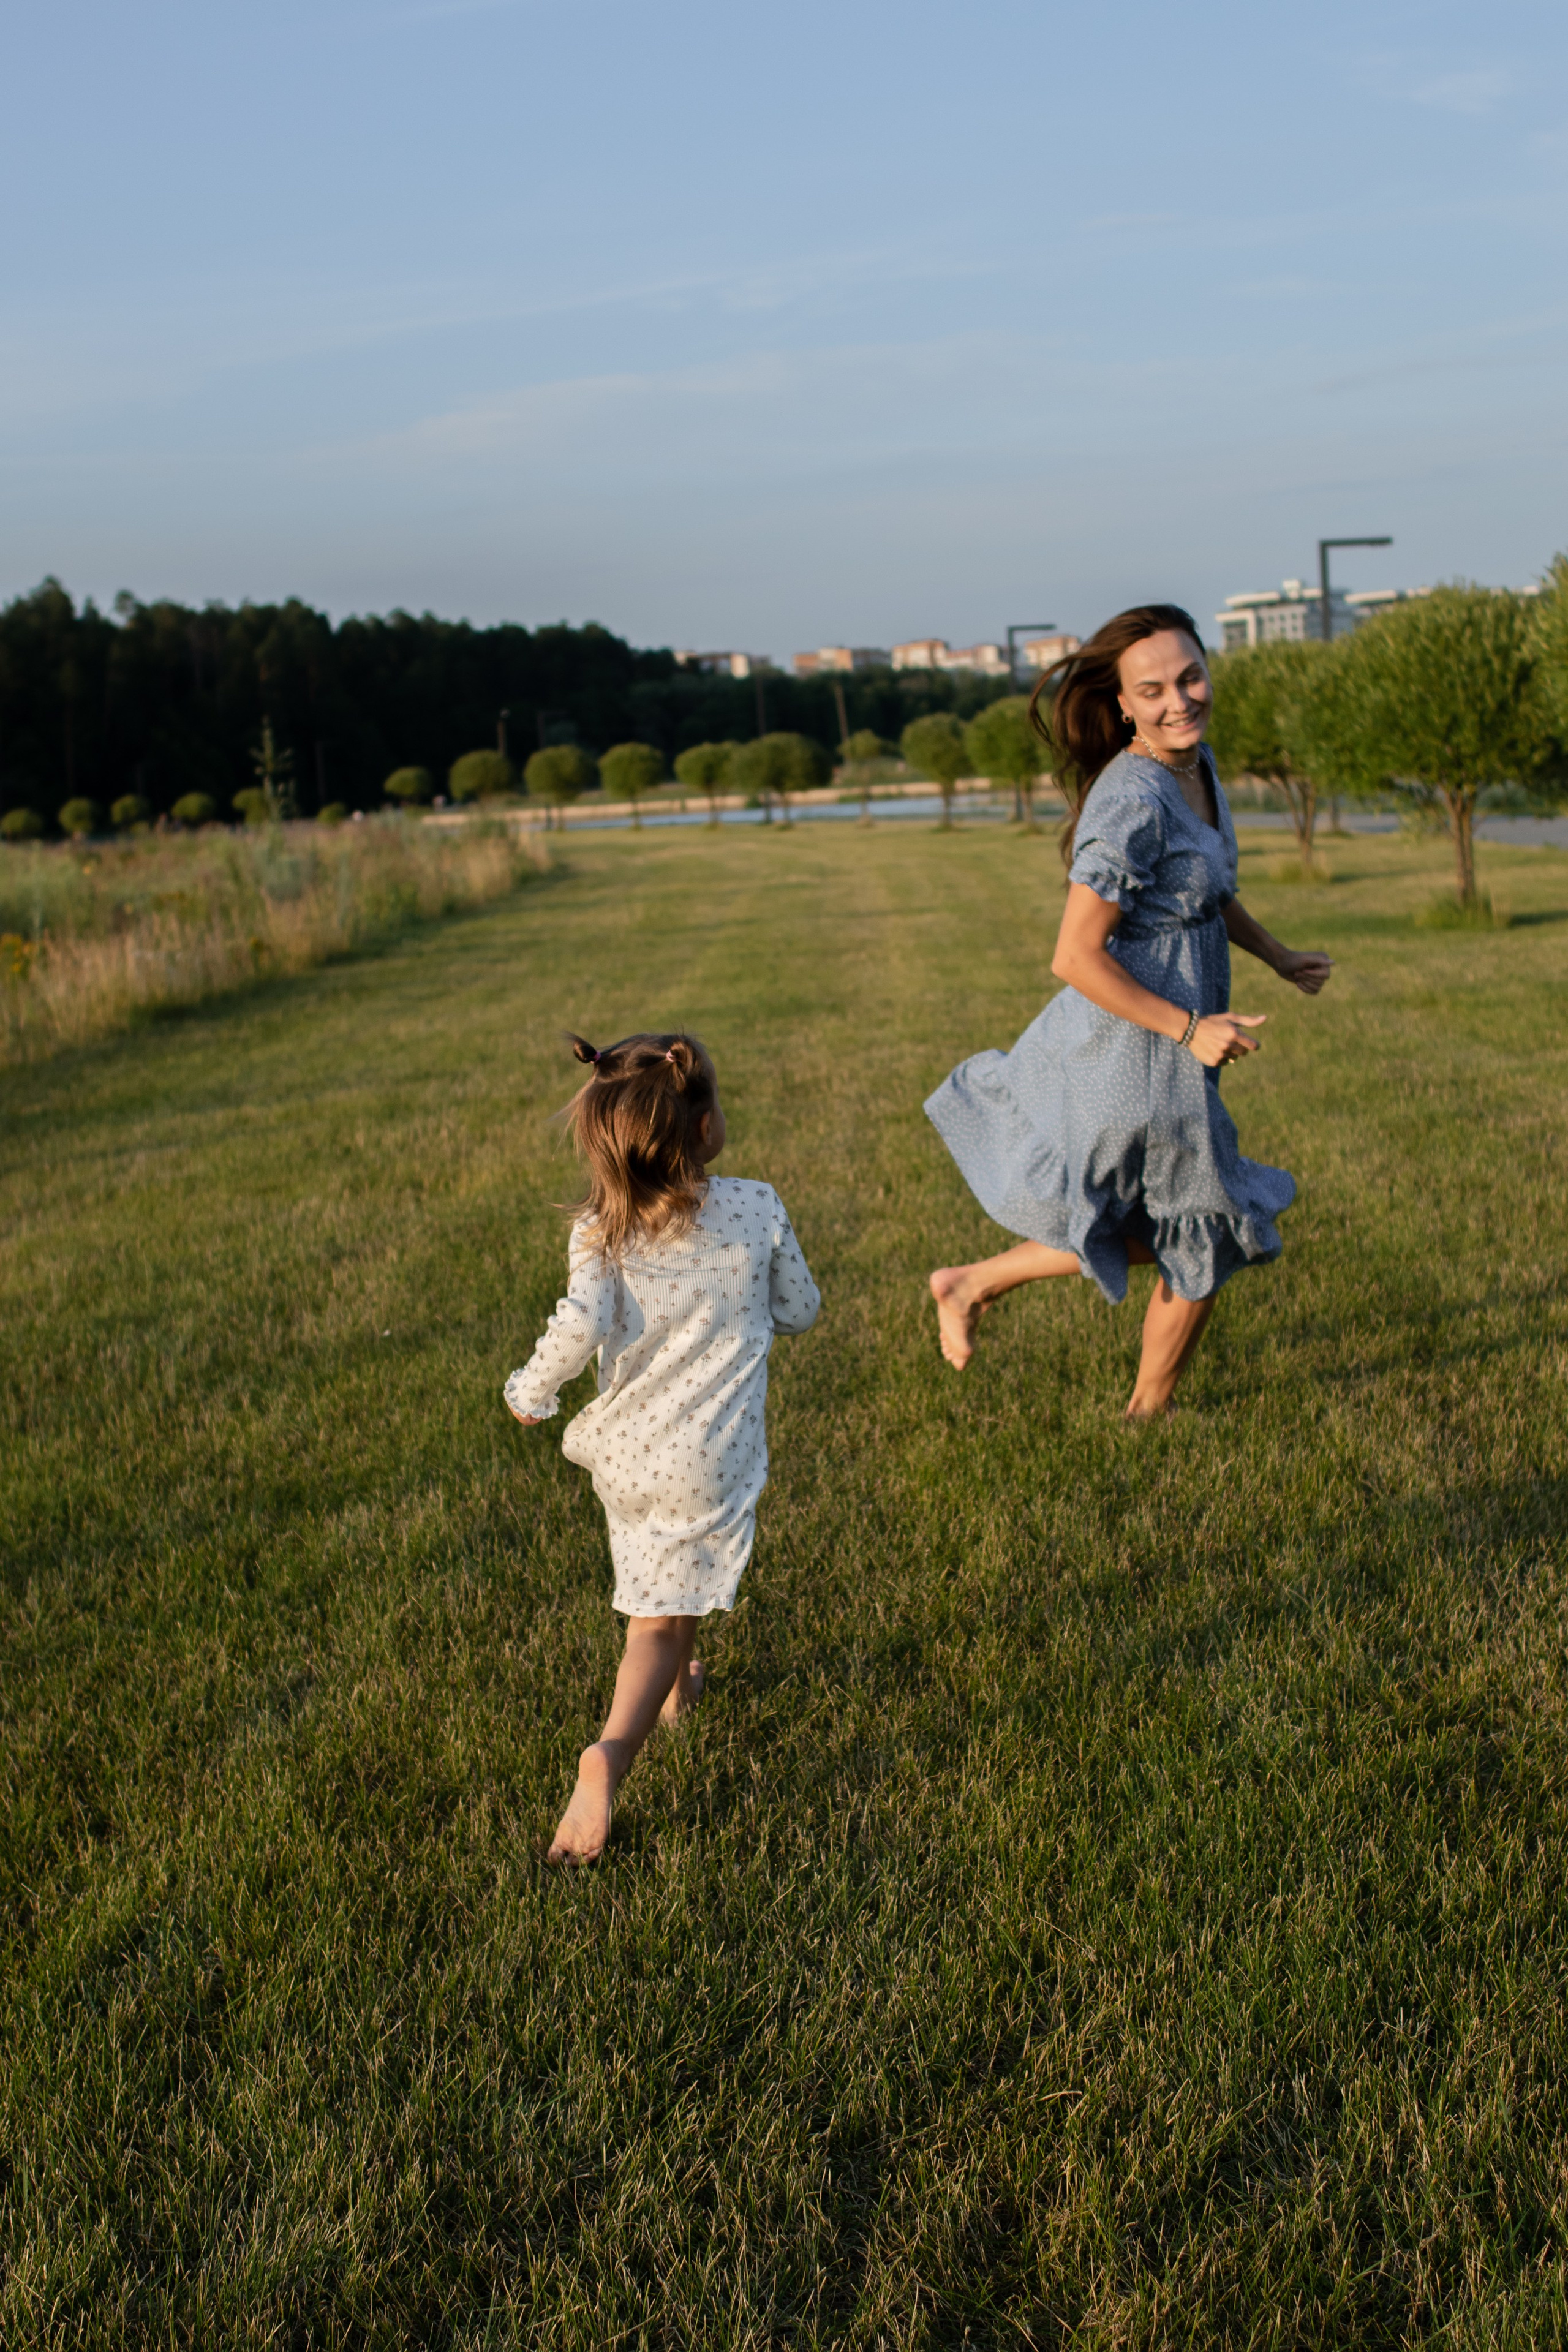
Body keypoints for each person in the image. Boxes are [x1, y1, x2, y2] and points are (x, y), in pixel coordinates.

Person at [925, 603, 1332, 1419]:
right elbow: (1073, 955)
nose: (1179, 699)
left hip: (1169, 1047)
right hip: (1134, 1050)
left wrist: (1279, 956)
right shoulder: (1133, 798)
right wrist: (1188, 1027)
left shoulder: (1196, 764)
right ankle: (1146, 1416)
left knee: (1170, 1222)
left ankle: (974, 1283)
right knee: (1206, 1228)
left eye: (1190, 676)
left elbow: (1208, 894)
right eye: (1154, 690)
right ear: (1122, 705)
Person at [505, 1031, 820, 1864]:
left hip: (626, 1456)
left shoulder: (599, 1233)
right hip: (707, 1457)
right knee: (657, 1619)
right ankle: (611, 1752)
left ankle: (681, 1688)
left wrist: (529, 1391)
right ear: (706, 1125)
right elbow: (800, 1308)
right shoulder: (755, 1206)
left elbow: (578, 1326)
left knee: (660, 1576)